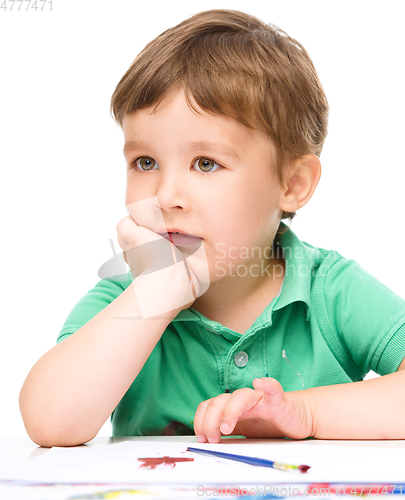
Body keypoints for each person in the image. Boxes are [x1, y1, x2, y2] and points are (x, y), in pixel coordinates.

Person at [19, 9, 405, 447]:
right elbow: (49, 422)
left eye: (206, 163)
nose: (166, 196)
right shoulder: (125, 303)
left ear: (293, 184)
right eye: (145, 162)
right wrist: (159, 292)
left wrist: (308, 411)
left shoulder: (331, 291)